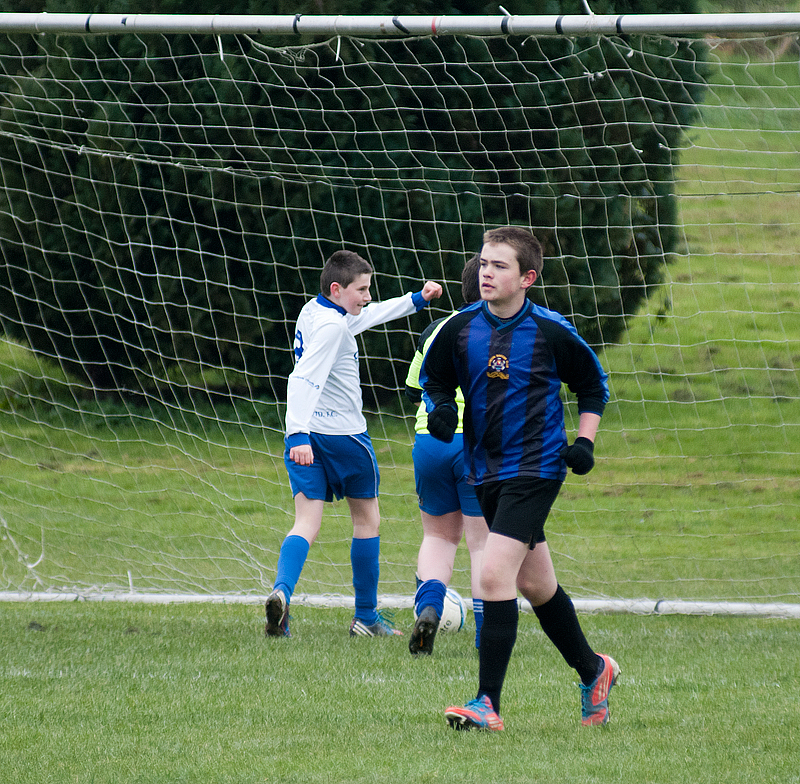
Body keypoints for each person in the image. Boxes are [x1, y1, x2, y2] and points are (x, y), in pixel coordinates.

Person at [420, 226, 619, 730]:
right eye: (484, 263)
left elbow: (593, 388)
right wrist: (442, 409)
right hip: (484, 470)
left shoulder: (552, 331)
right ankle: (595, 670)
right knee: (536, 584)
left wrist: (585, 443)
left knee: (491, 575)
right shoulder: (459, 328)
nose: (486, 272)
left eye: (500, 265)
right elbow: (436, 379)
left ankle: (488, 703)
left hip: (537, 468)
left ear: (527, 278)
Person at [266, 250, 442, 638]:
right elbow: (302, 379)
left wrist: (414, 300)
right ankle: (366, 616)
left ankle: (282, 592)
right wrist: (295, 431)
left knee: (306, 522)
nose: (366, 296)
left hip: (308, 439)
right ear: (336, 288)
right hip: (343, 437)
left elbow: (367, 315)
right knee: (367, 521)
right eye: (361, 289)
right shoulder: (332, 328)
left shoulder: (314, 313)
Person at [404, 254, 488, 655]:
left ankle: (428, 609)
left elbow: (416, 385)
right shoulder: (501, 330)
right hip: (475, 443)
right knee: (483, 544)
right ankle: (488, 632)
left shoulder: (436, 328)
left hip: (430, 441)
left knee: (438, 536)